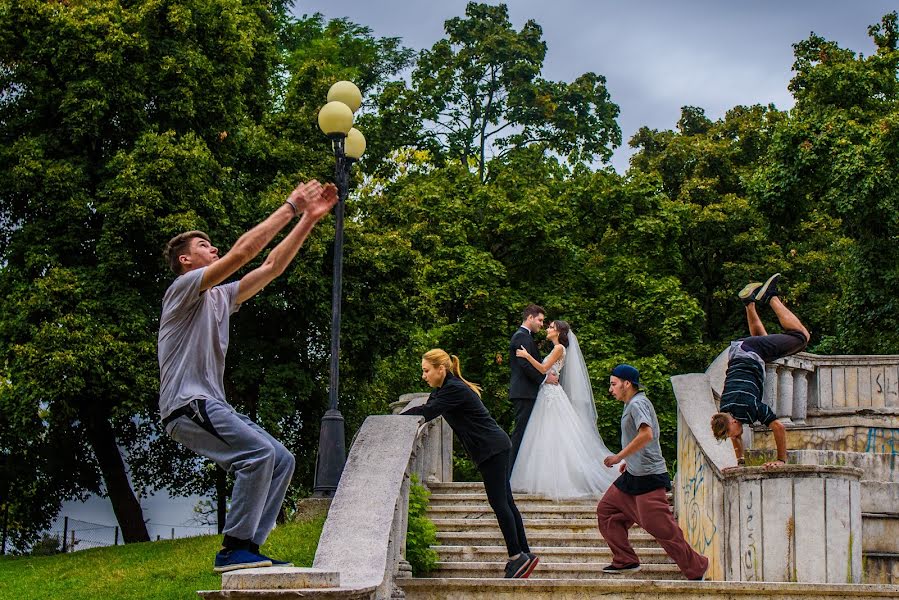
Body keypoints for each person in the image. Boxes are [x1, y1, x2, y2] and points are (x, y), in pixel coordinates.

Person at [157, 179, 338, 573]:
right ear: (186, 261)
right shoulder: (184, 288)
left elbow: (270, 265)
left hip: (210, 404)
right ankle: (233, 547)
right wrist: (291, 205)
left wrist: (308, 219)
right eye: (204, 246)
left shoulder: (223, 297)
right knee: (257, 456)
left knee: (280, 458)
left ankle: (249, 549)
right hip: (186, 404)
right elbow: (245, 251)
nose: (214, 249)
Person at [402, 349, 539, 579]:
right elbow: (430, 405)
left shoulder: (453, 389)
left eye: (426, 371)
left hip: (491, 449)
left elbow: (427, 412)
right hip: (496, 445)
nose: (424, 376)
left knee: (500, 503)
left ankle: (517, 557)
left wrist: (397, 418)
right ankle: (525, 553)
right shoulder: (446, 388)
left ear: (440, 369)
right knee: (506, 501)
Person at [597, 364, 709, 580]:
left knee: (662, 528)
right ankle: (625, 560)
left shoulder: (637, 403)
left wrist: (619, 456)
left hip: (648, 477)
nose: (611, 389)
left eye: (613, 384)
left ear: (626, 383)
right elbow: (643, 439)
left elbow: (647, 434)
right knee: (607, 511)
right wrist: (630, 460)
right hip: (634, 476)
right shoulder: (633, 403)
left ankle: (697, 567)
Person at [510, 320, 619, 500]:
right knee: (546, 436)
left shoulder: (559, 348)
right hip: (547, 393)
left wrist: (527, 356)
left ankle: (560, 480)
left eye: (551, 327)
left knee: (556, 434)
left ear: (559, 332)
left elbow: (544, 369)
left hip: (551, 394)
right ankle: (546, 478)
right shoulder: (556, 349)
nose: (547, 329)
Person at [710, 273, 810, 469]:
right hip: (739, 351)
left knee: (801, 337)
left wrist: (781, 460)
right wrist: (740, 461)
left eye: (734, 432)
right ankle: (749, 303)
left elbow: (778, 427)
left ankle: (770, 296)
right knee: (762, 339)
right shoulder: (725, 411)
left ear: (733, 422)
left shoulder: (750, 407)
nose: (737, 435)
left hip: (750, 353)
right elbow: (735, 435)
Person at [509, 304, 557, 466]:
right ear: (530, 317)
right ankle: (508, 473)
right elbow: (525, 366)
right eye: (540, 320)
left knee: (527, 434)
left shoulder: (526, 336)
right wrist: (545, 379)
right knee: (520, 433)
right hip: (524, 392)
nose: (541, 324)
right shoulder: (521, 336)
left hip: (527, 392)